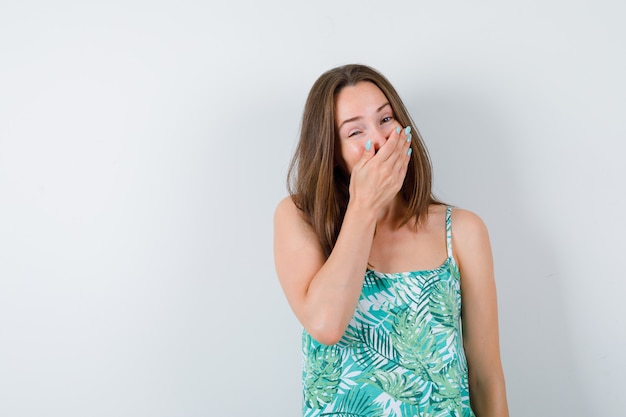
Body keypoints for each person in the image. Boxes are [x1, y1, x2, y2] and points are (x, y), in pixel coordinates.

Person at [273, 64, 509, 417]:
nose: (381, 140)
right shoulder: (299, 217)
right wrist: (364, 207)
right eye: (355, 131)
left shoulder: (462, 230)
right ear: (331, 151)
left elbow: (485, 378)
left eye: (386, 119)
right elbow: (326, 324)